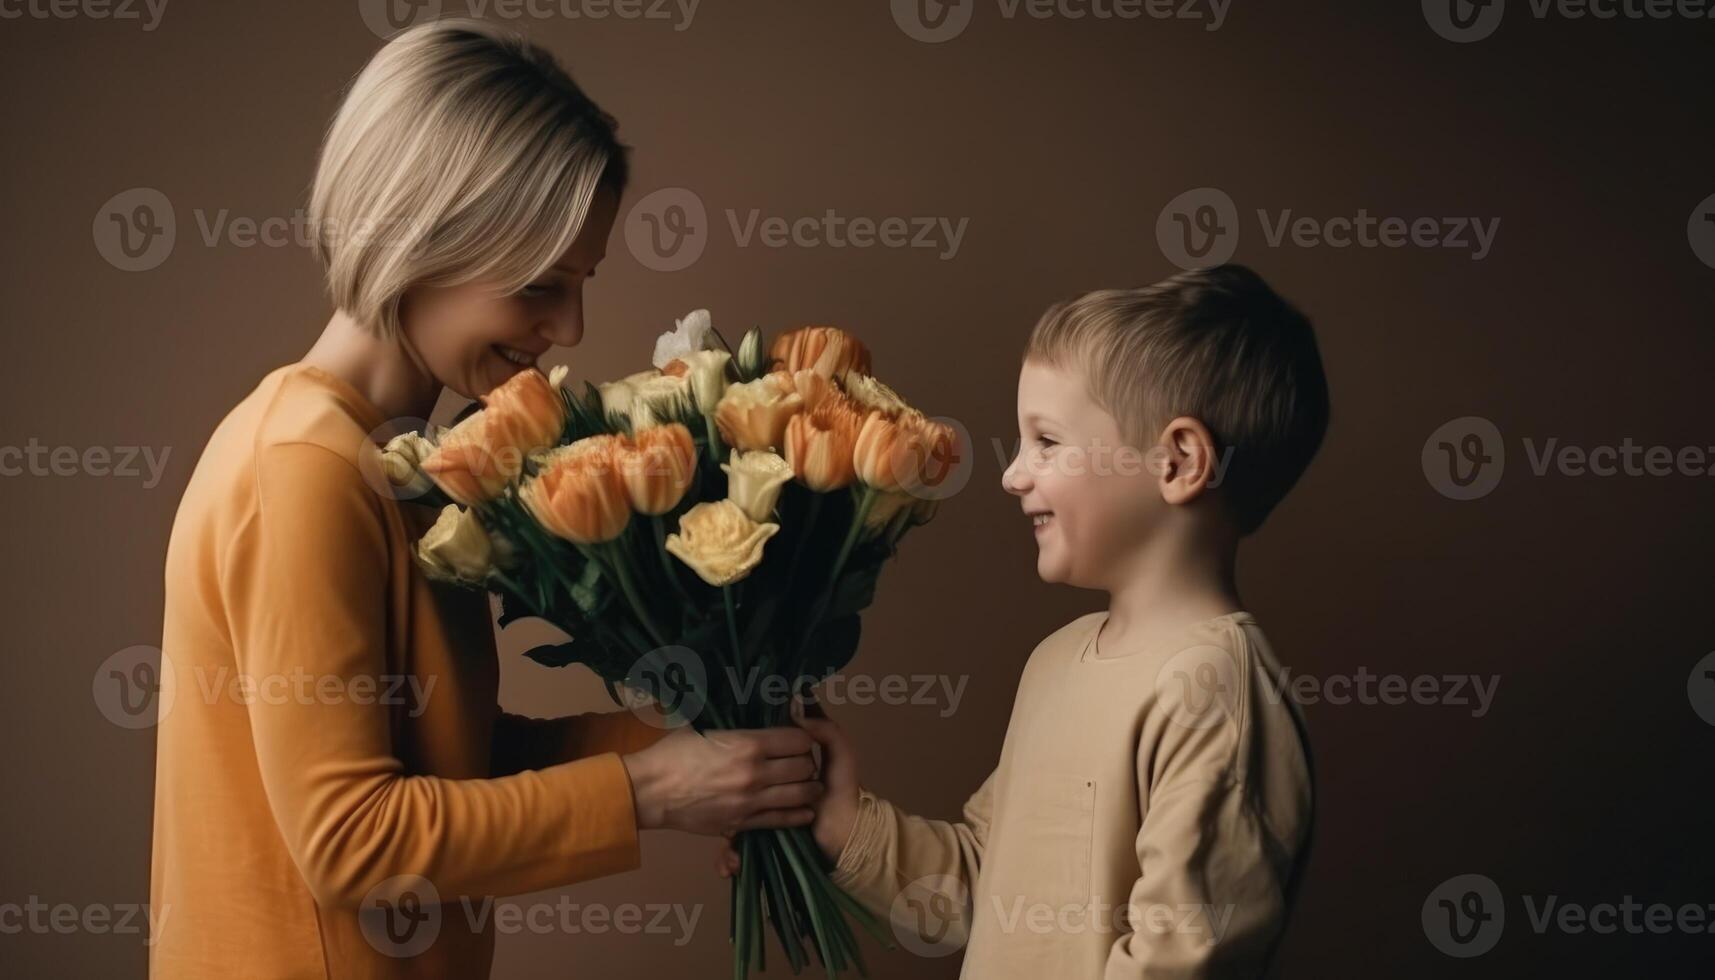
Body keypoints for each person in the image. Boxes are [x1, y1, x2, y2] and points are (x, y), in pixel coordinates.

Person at [152, 19, 821, 977]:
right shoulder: (302, 469)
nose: (571, 326)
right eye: (541, 284)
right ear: (420, 239)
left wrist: (719, 752)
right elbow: (354, 840)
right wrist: (648, 791)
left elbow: (448, 755)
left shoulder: (391, 462)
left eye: (582, 282)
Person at [746, 265, 1328, 976]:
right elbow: (984, 887)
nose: (1012, 474)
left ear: (1176, 461)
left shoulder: (1215, 695)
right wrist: (839, 820)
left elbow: (1176, 962)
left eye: (1046, 441)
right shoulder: (1056, 660)